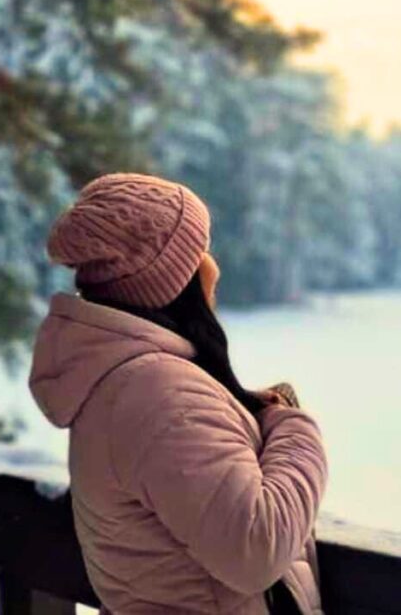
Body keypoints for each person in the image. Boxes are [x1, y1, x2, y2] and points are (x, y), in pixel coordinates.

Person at [29, 173, 328, 614]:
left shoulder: (126, 382)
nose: (213, 266)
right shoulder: (160, 396)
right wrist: (295, 428)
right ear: (173, 281)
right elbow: (254, 549)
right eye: (200, 252)